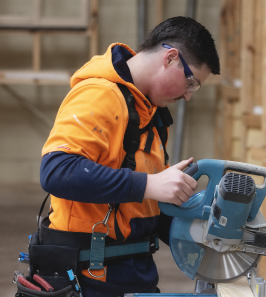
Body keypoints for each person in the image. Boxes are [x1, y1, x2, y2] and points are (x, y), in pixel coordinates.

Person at [38, 16, 220, 296]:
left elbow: (141, 208)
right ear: (171, 58)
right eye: (191, 82)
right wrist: (150, 184)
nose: (188, 96)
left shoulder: (150, 115)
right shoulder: (99, 95)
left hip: (131, 272)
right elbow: (57, 171)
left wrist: (202, 233)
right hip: (85, 277)